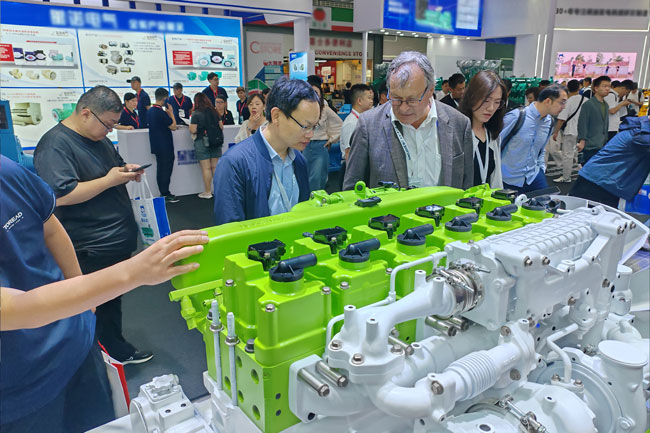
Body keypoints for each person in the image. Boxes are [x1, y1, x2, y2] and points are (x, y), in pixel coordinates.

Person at [1, 155, 207, 432]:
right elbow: (15, 309)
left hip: (77, 348)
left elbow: (50, 228)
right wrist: (134, 272)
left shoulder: (6, 172)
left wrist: (84, 300)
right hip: (20, 391)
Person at [33, 85, 152, 367]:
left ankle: (111, 348)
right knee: (89, 305)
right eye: (107, 124)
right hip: (89, 244)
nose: (110, 131)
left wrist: (126, 171)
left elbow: (113, 167)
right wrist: (110, 180)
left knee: (110, 300)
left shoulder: (98, 139)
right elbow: (61, 195)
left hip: (112, 239)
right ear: (86, 113)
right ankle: (94, 359)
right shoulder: (55, 145)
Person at [343, 51, 473, 190]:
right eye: (396, 98)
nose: (403, 108)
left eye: (412, 100)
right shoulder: (368, 125)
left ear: (430, 90)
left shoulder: (459, 124)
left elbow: (466, 188)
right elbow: (352, 190)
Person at [212, 77, 318, 225]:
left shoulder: (298, 160)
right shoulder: (234, 163)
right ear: (276, 116)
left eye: (314, 127)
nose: (310, 134)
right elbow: (230, 229)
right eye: (305, 126)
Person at [498, 84, 568, 195]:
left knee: (545, 202)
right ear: (548, 101)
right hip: (508, 178)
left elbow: (541, 149)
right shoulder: (516, 116)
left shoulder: (549, 123)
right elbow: (496, 145)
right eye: (562, 102)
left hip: (533, 176)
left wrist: (541, 168)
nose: (564, 107)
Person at [570, 116, 649, 208]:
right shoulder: (642, 136)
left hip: (601, 180)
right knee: (583, 215)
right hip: (599, 184)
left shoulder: (639, 127)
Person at [458, 71, 506, 188]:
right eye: (486, 100)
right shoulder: (457, 133)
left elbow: (496, 179)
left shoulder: (492, 135)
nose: (491, 108)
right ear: (472, 97)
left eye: (497, 102)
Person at [303, 74, 343, 191]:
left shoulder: (324, 109)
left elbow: (340, 125)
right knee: (304, 177)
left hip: (320, 146)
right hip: (305, 146)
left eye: (316, 92)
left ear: (320, 94)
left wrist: (331, 139)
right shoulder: (301, 109)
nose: (313, 95)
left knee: (317, 178)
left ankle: (317, 201)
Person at [550, 79, 585, 183]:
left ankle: (566, 177)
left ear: (567, 88)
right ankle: (581, 172)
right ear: (579, 87)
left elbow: (561, 119)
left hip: (570, 130)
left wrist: (556, 132)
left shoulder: (568, 101)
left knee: (567, 155)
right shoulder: (586, 100)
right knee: (579, 154)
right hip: (583, 132)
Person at [190, 92, 223, 199]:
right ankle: (218, 191)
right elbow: (221, 127)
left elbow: (193, 130)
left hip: (202, 142)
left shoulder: (196, 113)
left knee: (206, 168)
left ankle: (208, 192)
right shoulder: (215, 111)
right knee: (215, 167)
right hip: (216, 141)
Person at [148, 87, 178, 203]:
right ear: (165, 98)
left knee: (160, 169)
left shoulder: (150, 111)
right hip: (165, 145)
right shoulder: (160, 112)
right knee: (166, 169)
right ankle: (165, 193)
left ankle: (163, 192)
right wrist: (171, 113)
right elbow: (173, 126)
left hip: (156, 144)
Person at [577, 75, 611, 164]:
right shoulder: (588, 104)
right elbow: (583, 123)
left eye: (609, 86)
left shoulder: (606, 105)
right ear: (596, 88)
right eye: (604, 86)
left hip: (602, 144)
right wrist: (582, 141)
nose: (607, 89)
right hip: (590, 144)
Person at [340, 83, 374, 163]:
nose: (371, 101)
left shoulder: (362, 119)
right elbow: (348, 153)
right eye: (369, 98)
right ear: (359, 101)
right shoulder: (351, 123)